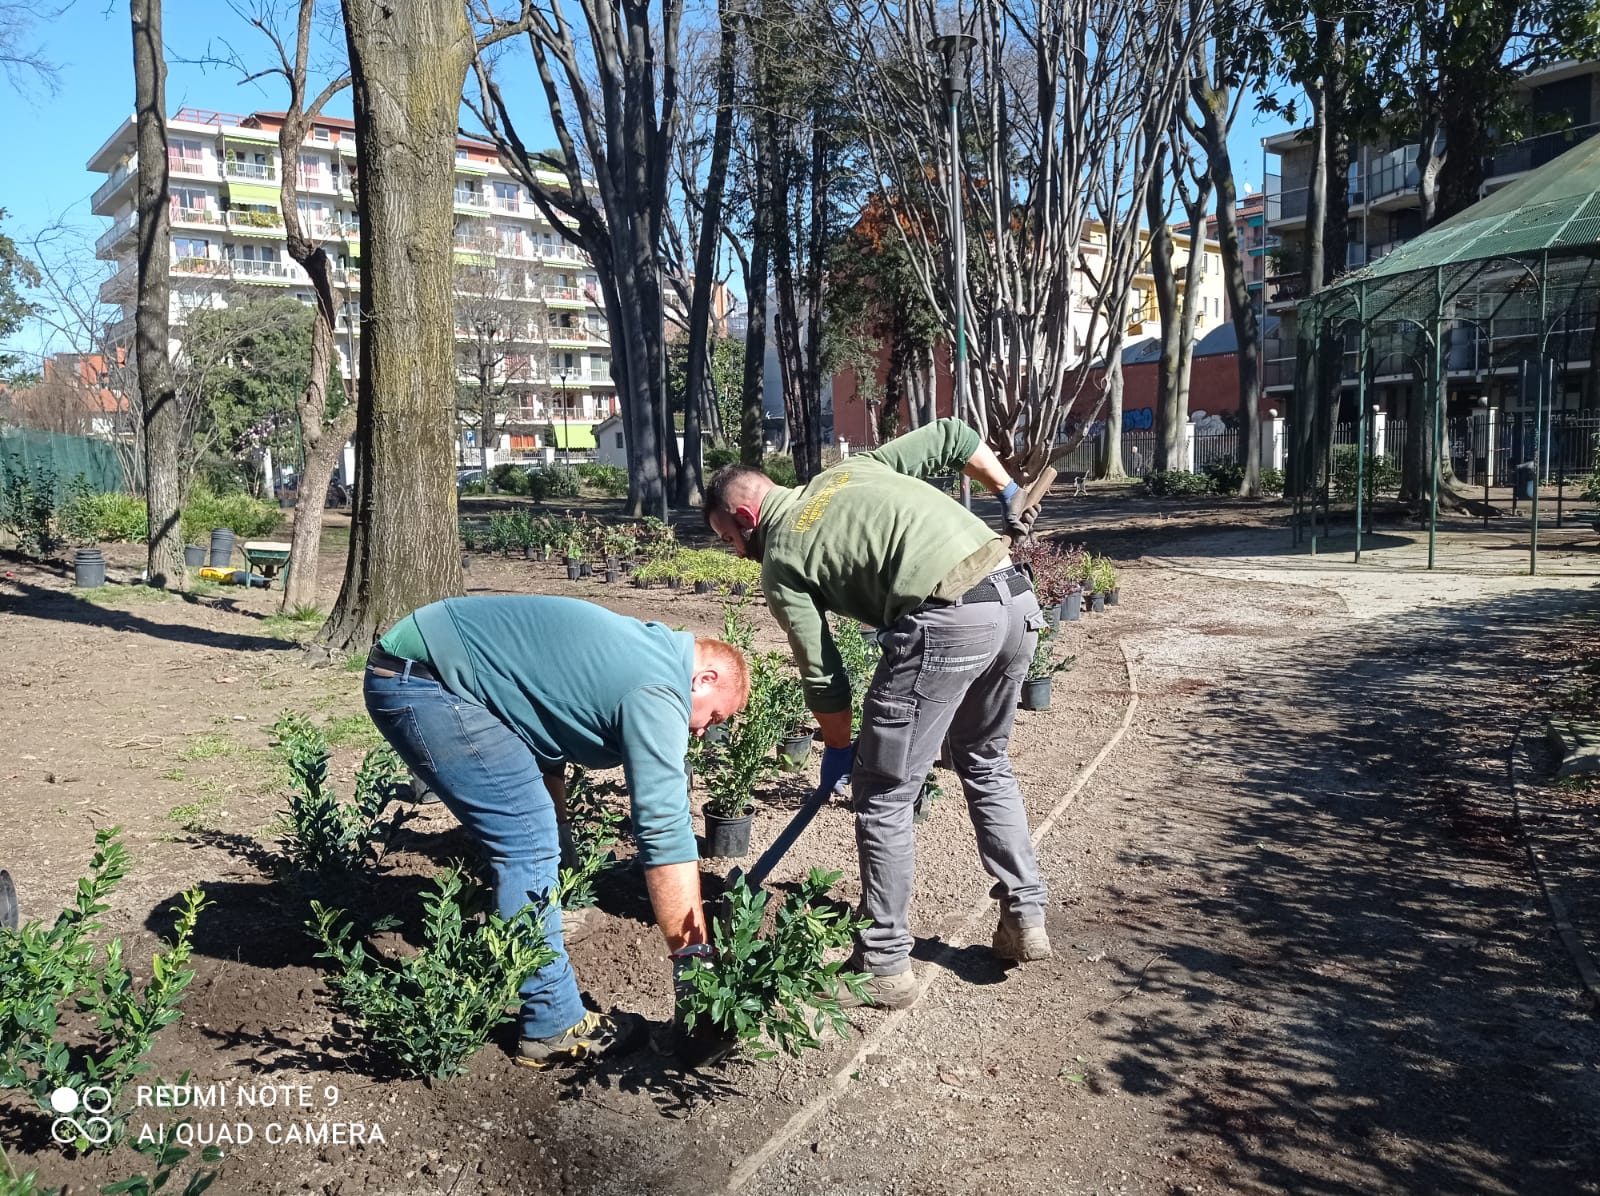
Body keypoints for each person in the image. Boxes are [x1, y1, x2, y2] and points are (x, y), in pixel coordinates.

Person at [703, 419, 1052, 1010]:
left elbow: (823, 672)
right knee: (985, 760)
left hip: (945, 622)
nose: (734, 553)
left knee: (884, 792)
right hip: (1015, 603)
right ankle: (1025, 915)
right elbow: (951, 435)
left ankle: (884, 964)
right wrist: (1007, 489)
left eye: (728, 541)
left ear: (745, 520)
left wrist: (841, 749)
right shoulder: (849, 473)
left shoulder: (781, 557)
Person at [364, 595, 750, 1067]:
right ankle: (552, 1024)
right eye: (714, 717)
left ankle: (543, 921)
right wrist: (694, 963)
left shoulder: (645, 653)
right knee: (526, 845)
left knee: (536, 836)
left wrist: (562, 858)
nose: (701, 733)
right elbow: (665, 832)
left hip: (435, 667)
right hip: (430, 682)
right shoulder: (657, 689)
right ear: (704, 679)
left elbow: (541, 730)